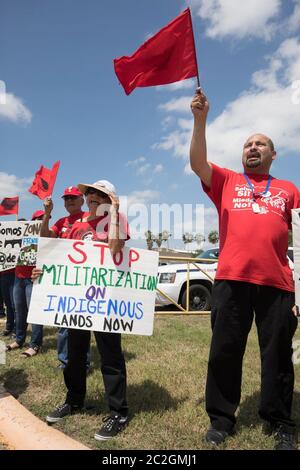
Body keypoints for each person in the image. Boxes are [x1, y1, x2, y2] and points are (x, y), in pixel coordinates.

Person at [190, 88, 300, 450]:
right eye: (247, 144)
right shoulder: (226, 181)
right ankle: (221, 420)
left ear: (272, 154)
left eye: (260, 144)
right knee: (224, 351)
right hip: (231, 281)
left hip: (278, 284)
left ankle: (280, 420)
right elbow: (197, 163)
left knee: (278, 355)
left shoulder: (289, 189)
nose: (252, 148)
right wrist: (200, 120)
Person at [33, 180, 130, 441]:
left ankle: (118, 412)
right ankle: (74, 400)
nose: (92, 198)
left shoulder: (116, 219)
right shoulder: (75, 224)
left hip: (105, 299)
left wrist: (115, 211)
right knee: (75, 352)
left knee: (110, 354)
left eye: (99, 195)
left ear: (111, 199)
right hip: (76, 299)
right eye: (90, 194)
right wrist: (46, 271)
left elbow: (115, 249)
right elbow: (57, 254)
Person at [40, 186, 90, 369]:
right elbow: (45, 238)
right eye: (66, 198)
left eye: (73, 197)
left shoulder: (89, 218)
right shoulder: (61, 222)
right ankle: (64, 361)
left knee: (82, 323)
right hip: (63, 280)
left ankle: (83, 362)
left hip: (84, 279)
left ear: (82, 200)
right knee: (63, 323)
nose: (69, 201)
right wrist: (47, 213)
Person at [6, 211, 46, 357]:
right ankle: (19, 339)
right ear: (32, 220)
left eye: (43, 219)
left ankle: (35, 345)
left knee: (34, 312)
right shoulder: (19, 236)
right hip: (18, 277)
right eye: (37, 219)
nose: (40, 221)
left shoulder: (46, 237)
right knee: (19, 310)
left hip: (32, 279)